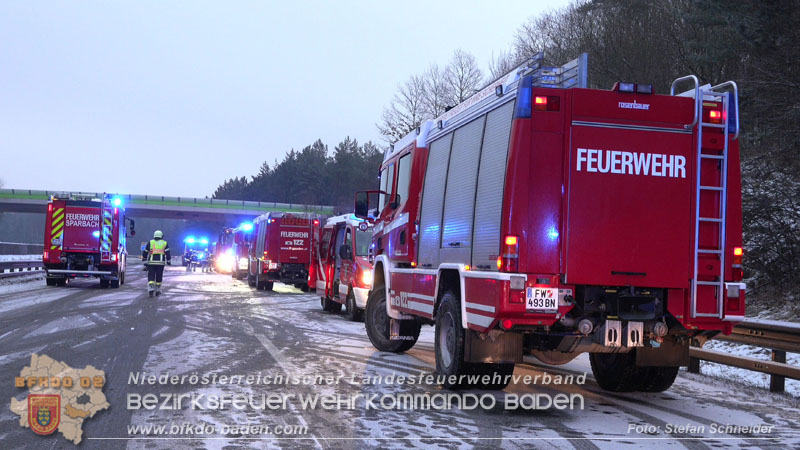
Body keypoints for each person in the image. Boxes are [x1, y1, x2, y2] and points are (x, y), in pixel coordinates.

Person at [142, 230, 171, 297]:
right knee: (159, 275)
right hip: (160, 263)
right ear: (161, 236)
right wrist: (168, 260)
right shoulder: (165, 243)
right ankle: (158, 290)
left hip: (151, 263)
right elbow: (167, 253)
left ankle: (151, 289)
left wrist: (144, 257)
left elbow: (146, 251)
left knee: (151, 275)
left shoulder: (150, 242)